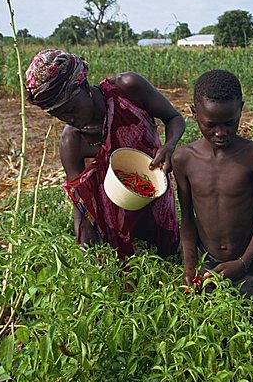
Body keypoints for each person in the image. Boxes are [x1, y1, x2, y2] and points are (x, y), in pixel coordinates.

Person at [25, 49, 185, 259]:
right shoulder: (72, 142)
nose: (69, 119)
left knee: (167, 257)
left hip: (154, 195)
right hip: (114, 220)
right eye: (59, 116)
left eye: (71, 109)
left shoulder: (128, 89)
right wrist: (86, 257)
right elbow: (81, 204)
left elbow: (174, 118)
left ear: (83, 86)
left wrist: (169, 145)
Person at [172, 69, 253, 307]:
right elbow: (187, 219)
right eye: (211, 125)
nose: (221, 133)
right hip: (207, 265)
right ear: (193, 113)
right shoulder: (184, 159)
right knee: (211, 332)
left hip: (251, 267)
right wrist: (189, 267)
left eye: (230, 123)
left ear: (241, 109)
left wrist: (242, 263)